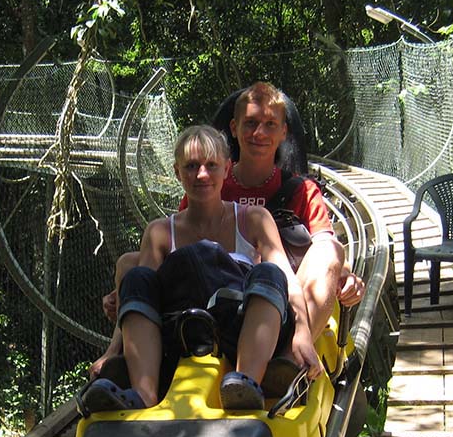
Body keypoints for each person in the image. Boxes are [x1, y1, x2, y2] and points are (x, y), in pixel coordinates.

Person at [91, 82, 362, 378]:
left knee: (326, 252)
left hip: (280, 286)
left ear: (284, 132)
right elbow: (183, 243)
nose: (259, 133)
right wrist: (129, 290)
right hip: (216, 287)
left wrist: (345, 274)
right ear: (234, 128)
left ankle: (287, 359)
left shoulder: (300, 190)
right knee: (129, 264)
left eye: (270, 124)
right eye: (251, 124)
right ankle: (127, 353)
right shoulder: (209, 184)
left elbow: (326, 246)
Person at [79, 125, 320, 413]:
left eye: (211, 165)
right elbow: (138, 296)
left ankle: (245, 384)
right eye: (191, 166)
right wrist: (111, 351)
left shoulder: (253, 219)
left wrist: (303, 332)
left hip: (240, 326)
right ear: (177, 172)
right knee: (137, 275)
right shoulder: (160, 232)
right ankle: (143, 393)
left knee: (269, 273)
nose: (201, 175)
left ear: (227, 169)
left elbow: (288, 281)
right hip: (182, 332)